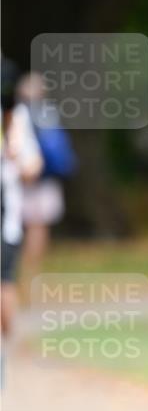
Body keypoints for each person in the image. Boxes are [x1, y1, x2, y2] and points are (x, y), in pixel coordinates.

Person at [1, 74, 44, 387]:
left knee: (4, 288)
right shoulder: (16, 117)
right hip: (8, 222)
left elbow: (31, 167)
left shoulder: (15, 118)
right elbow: (32, 168)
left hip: (7, 220)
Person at [15, 71, 74, 272]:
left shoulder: (16, 113)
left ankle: (21, 266)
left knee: (24, 224)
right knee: (37, 225)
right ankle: (31, 267)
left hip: (22, 176)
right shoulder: (48, 112)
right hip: (43, 177)